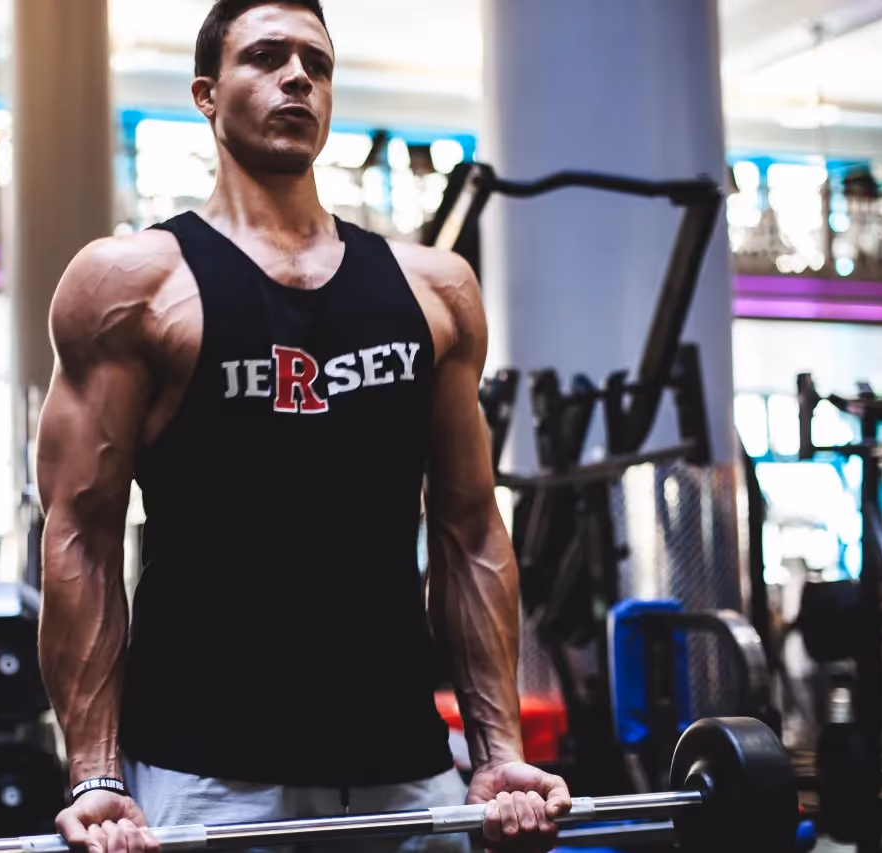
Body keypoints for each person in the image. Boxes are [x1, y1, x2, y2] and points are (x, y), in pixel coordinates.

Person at [35, 2, 571, 851]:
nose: (297, 78)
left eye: (316, 65)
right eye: (267, 57)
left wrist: (498, 750)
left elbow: (470, 529)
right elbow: (81, 536)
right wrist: (96, 773)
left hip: (404, 768)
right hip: (201, 775)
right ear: (206, 95)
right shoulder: (131, 285)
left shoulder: (436, 291)